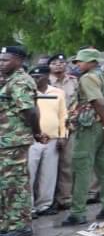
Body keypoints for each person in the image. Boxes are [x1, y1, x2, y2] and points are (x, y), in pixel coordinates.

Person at [63, 49, 104, 226]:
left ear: (91, 62)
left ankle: (77, 212)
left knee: (81, 167)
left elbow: (99, 102)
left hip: (90, 128)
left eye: (81, 61)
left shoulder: (87, 78)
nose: (77, 64)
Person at [0, 46, 44, 236]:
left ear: (19, 60)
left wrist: (36, 133)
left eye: (5, 60)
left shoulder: (19, 81)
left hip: (15, 141)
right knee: (5, 184)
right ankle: (7, 224)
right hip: (6, 141)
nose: (1, 63)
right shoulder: (8, 80)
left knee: (16, 184)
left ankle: (20, 225)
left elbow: (30, 111)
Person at [28, 66, 64, 215]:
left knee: (48, 175)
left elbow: (63, 115)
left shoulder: (58, 92)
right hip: (32, 139)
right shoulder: (27, 92)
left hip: (52, 138)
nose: (36, 80)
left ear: (47, 76)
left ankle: (44, 205)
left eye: (39, 77)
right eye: (34, 77)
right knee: (30, 174)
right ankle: (28, 208)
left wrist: (63, 135)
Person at [46, 52, 76, 212]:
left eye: (62, 62)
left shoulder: (73, 82)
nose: (59, 65)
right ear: (49, 66)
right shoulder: (43, 81)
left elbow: (77, 102)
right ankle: (47, 201)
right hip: (48, 129)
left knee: (66, 164)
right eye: (54, 63)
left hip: (69, 127)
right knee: (47, 167)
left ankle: (65, 198)